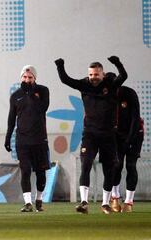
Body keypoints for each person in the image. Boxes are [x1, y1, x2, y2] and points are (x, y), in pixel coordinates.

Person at [54, 56, 128, 214]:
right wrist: (60, 65)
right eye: (91, 74)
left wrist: (117, 63)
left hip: (108, 135)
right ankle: (84, 203)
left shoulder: (111, 85)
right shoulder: (84, 85)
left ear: (102, 74)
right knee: (86, 165)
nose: (93, 77)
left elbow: (124, 76)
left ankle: (106, 204)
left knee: (110, 170)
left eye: (96, 74)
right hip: (90, 134)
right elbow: (66, 80)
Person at [4, 65, 50, 212]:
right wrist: (7, 137)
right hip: (22, 140)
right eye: (24, 77)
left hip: (40, 140)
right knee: (25, 170)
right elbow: (11, 119)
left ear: (35, 78)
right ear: (21, 78)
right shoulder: (15, 95)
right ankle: (28, 203)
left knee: (41, 173)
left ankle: (39, 200)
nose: (27, 80)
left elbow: (43, 108)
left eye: (30, 77)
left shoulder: (43, 91)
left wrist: (30, 94)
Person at [109, 82, 144, 213]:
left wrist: (128, 141)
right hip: (116, 135)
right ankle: (115, 197)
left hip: (134, 133)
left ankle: (129, 202)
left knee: (130, 165)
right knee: (116, 165)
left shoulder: (129, 93)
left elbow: (135, 119)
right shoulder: (104, 95)